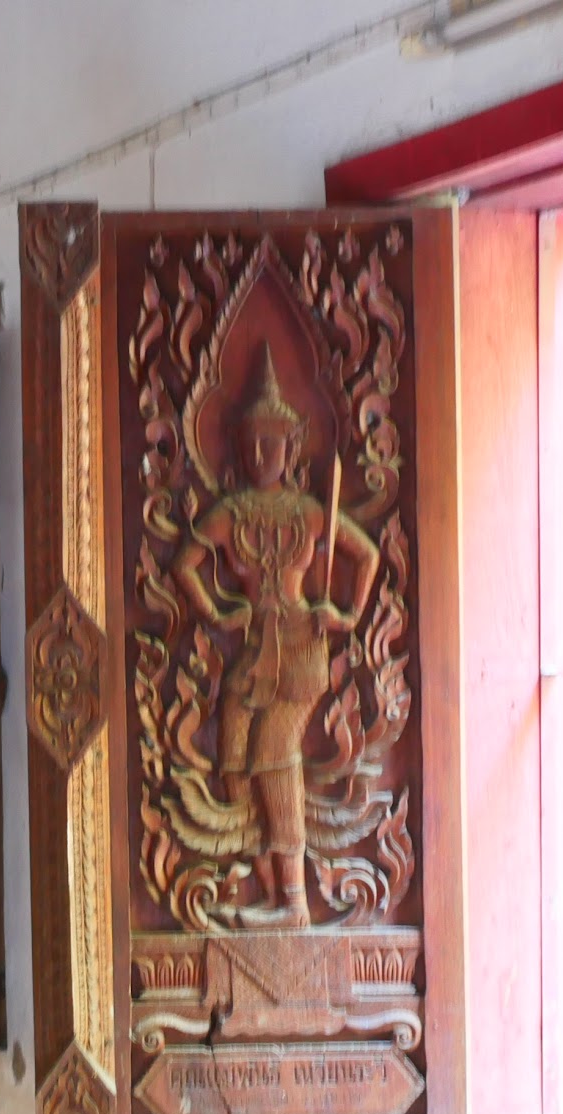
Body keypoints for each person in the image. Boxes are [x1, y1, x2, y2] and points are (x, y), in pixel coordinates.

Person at [170, 346, 380, 926]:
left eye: (273, 441)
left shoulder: (308, 511)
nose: (262, 453)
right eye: (252, 443)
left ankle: (295, 904)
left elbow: (366, 554)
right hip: (255, 646)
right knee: (234, 757)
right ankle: (268, 888)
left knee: (273, 755)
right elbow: (184, 564)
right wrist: (218, 611)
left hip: (301, 643)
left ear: (292, 446)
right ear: (238, 448)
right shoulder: (232, 511)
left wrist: (347, 614)